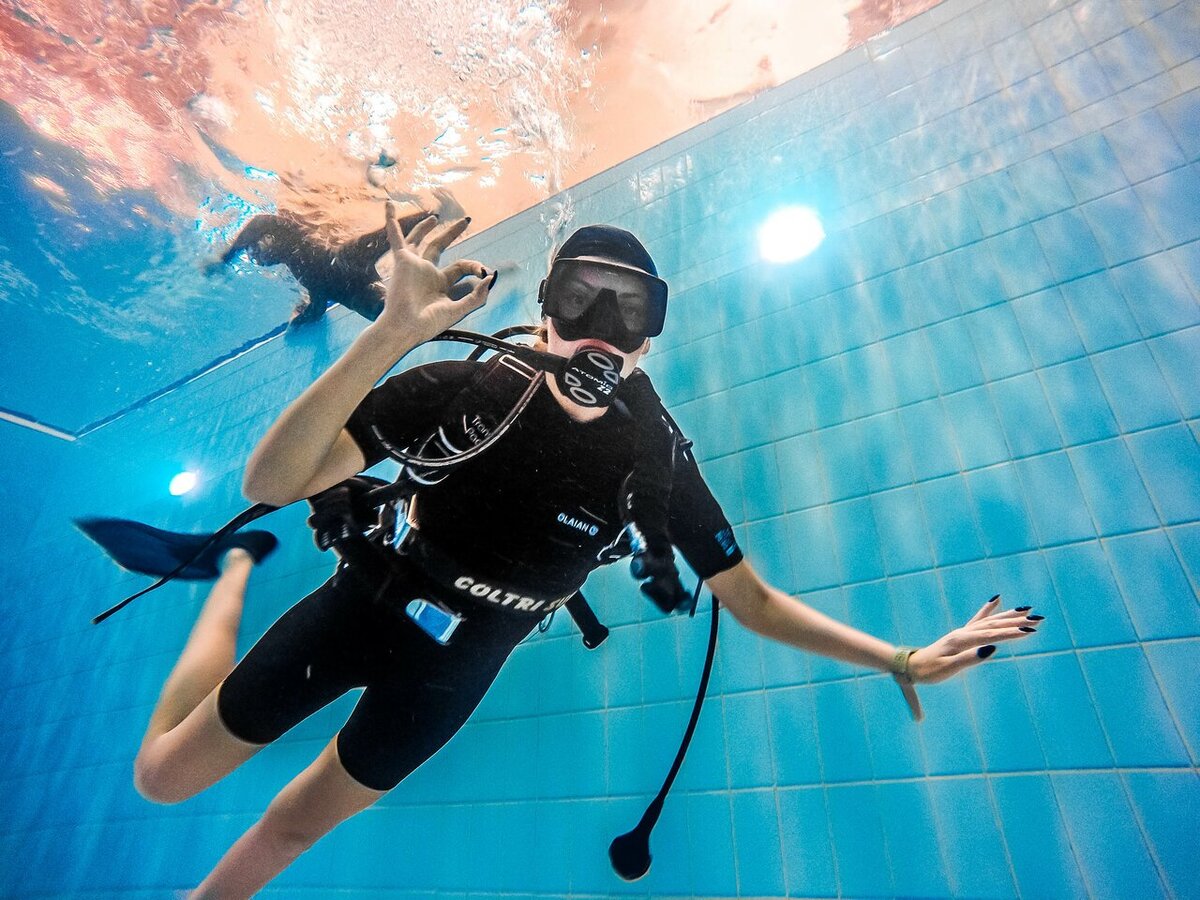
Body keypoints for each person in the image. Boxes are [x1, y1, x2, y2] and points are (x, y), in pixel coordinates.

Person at [130, 203, 1041, 896]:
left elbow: (751, 601)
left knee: (293, 832)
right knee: (161, 780)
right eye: (579, 297)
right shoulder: (459, 388)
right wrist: (391, 336)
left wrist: (902, 659)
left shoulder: (657, 460)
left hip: (458, 667)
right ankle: (231, 581)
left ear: (651, 334)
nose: (599, 324)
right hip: (362, 604)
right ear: (543, 314)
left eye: (628, 308)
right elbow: (271, 483)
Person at [210, 189, 472, 325]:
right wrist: (303, 316)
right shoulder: (295, 267)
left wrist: (225, 257)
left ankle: (440, 213)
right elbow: (318, 304)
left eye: (255, 251)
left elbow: (259, 221)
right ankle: (448, 296)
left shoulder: (290, 233)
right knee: (388, 312)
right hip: (354, 285)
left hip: (344, 263)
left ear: (269, 240)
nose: (255, 258)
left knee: (362, 248)